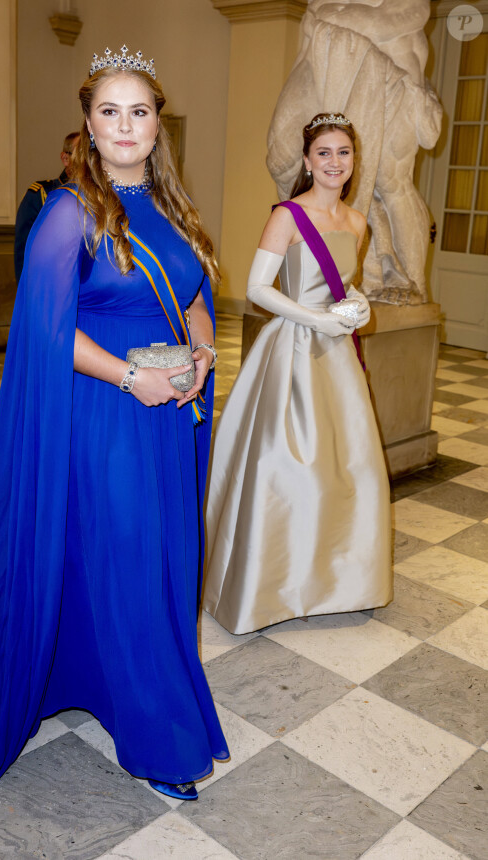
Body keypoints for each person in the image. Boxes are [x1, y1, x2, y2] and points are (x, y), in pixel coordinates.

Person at [0, 46, 228, 801]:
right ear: (88, 128)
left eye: (140, 112)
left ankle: (104, 677)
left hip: (165, 414)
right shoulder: (70, 212)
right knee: (130, 560)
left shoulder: (173, 209)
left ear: (159, 126)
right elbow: (47, 328)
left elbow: (188, 288)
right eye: (109, 112)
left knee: (159, 562)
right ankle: (156, 739)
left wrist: (201, 342)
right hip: (106, 415)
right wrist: (135, 376)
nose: (125, 126)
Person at [203, 114, 392, 635]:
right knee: (285, 465)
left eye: (344, 153)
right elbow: (259, 288)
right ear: (308, 161)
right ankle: (272, 585)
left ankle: (337, 581)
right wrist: (319, 320)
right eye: (325, 153)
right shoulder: (288, 215)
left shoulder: (357, 222)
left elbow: (347, 286)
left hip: (338, 356)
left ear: (354, 161)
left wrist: (356, 307)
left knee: (347, 464)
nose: (335, 162)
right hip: (291, 349)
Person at [13, 131, 79, 282]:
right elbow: (24, 254)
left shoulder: (99, 198)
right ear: (65, 158)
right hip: (50, 285)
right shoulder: (41, 195)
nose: (88, 159)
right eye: (81, 153)